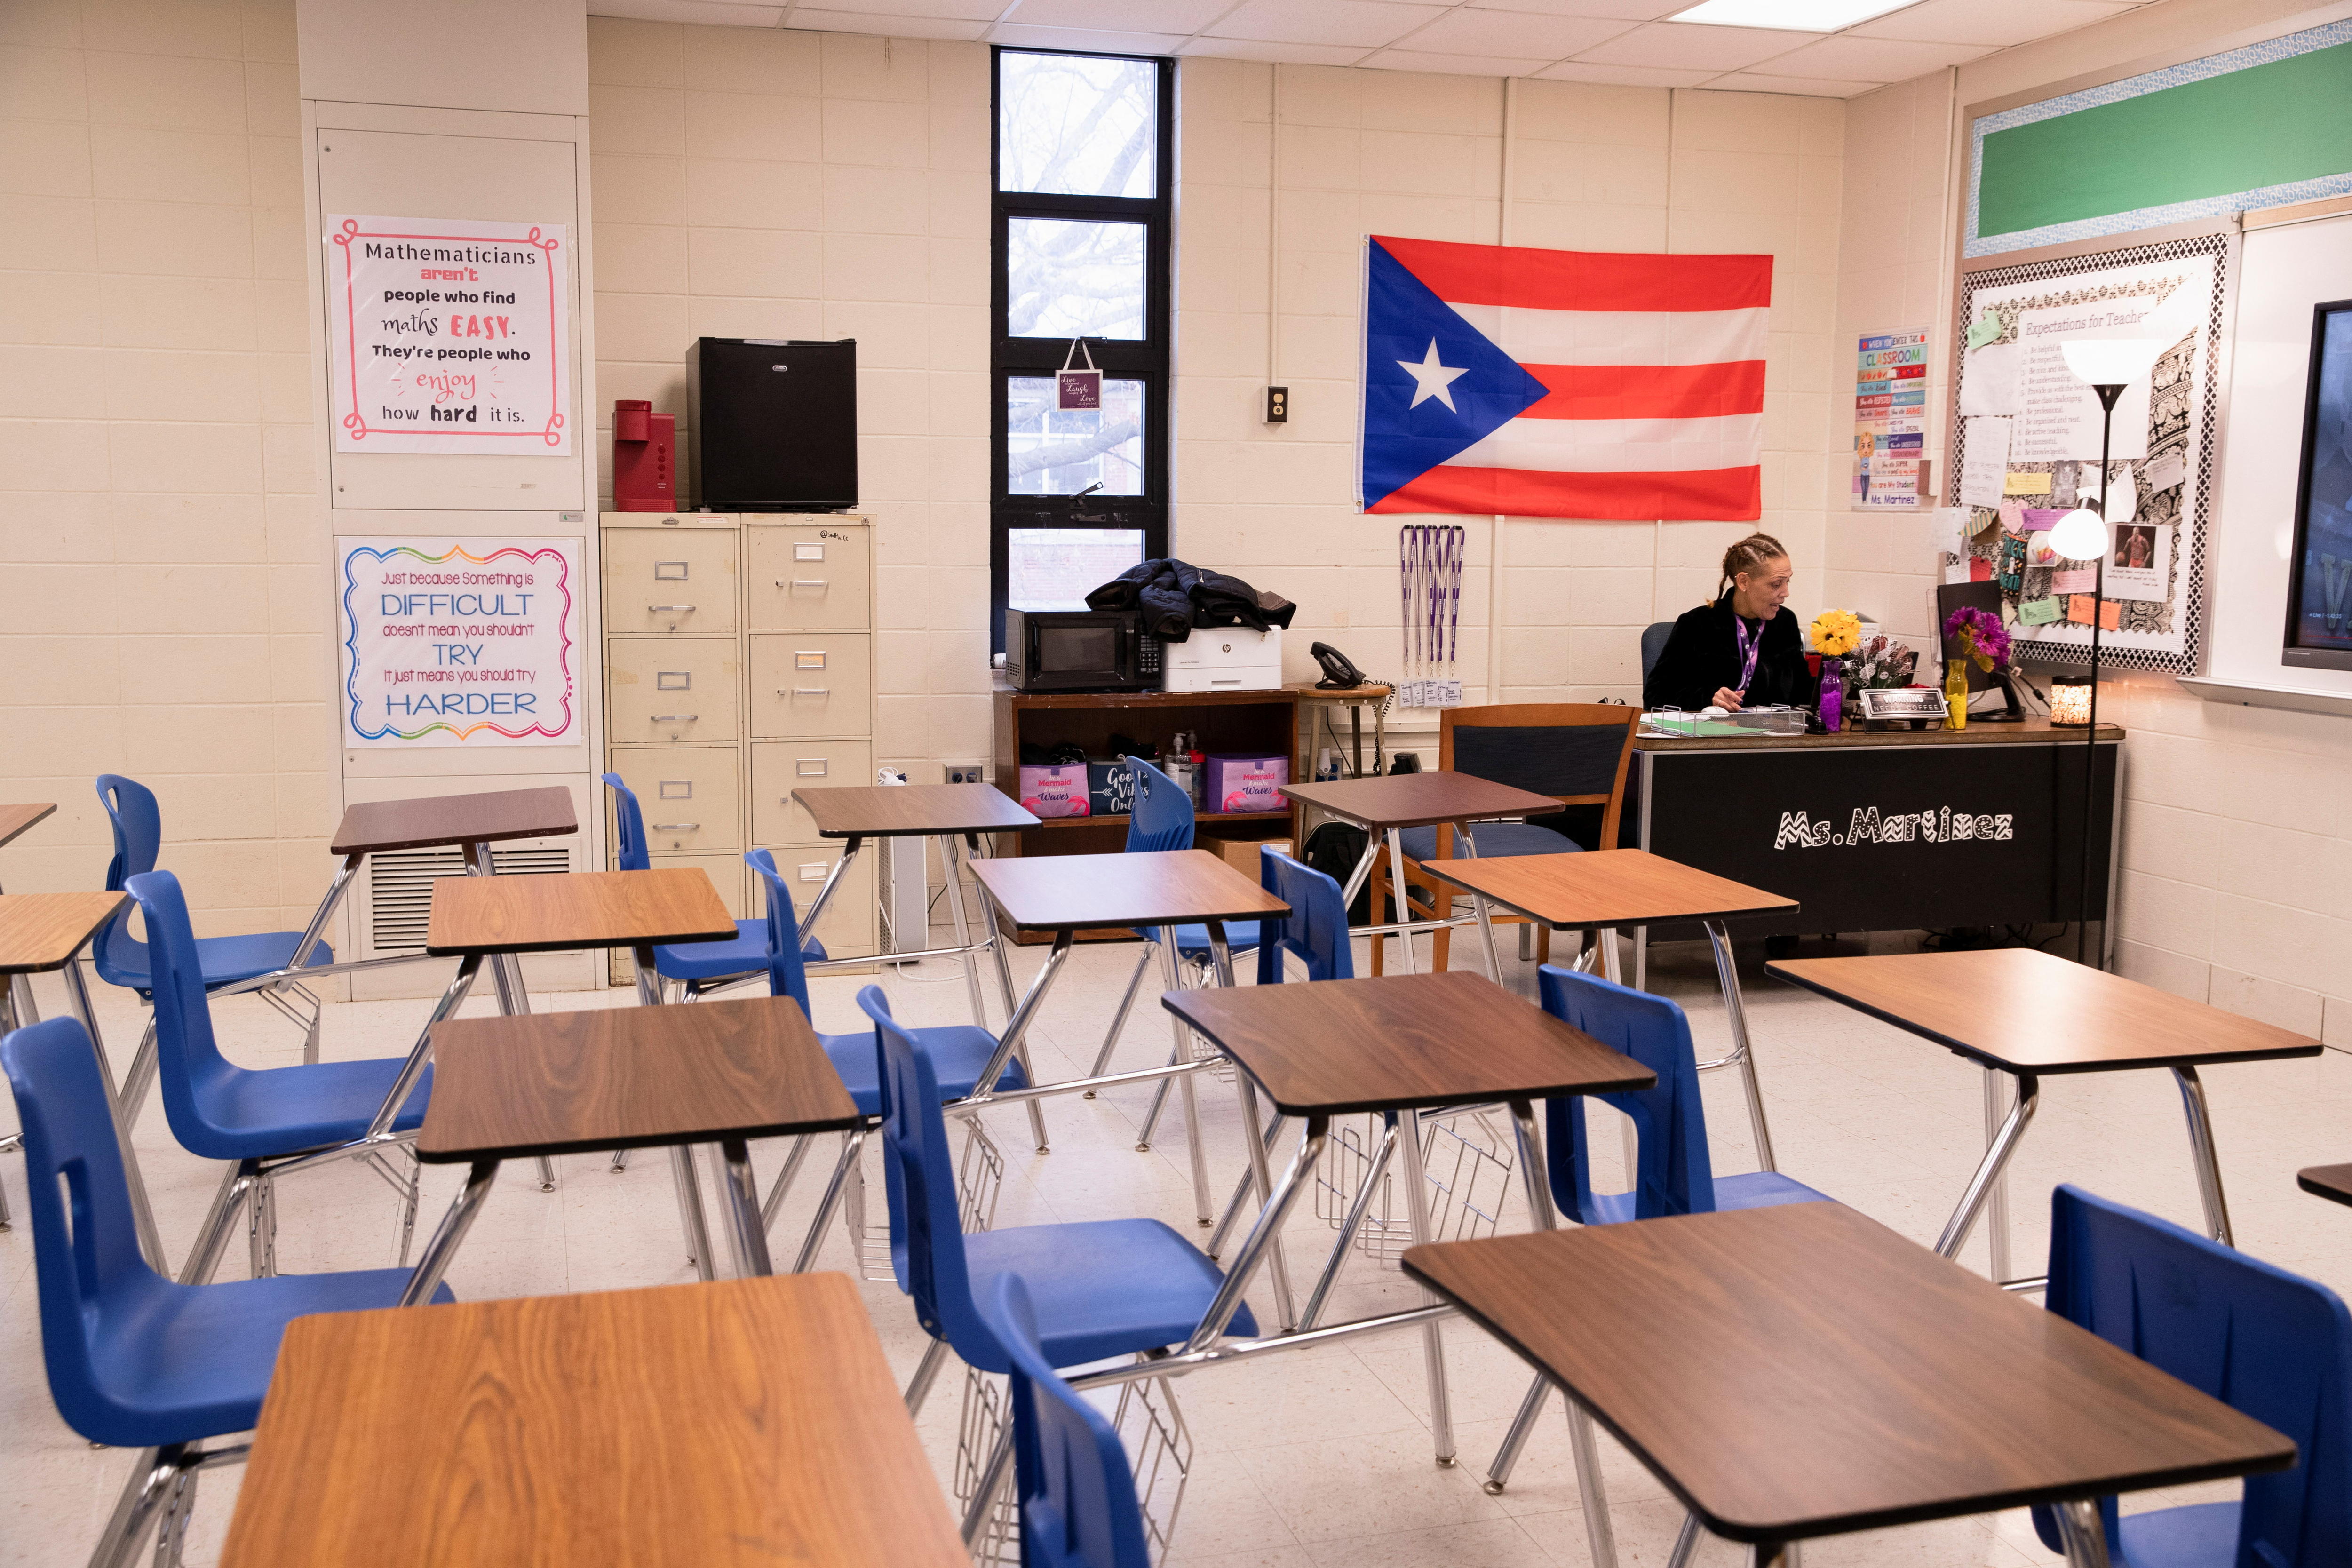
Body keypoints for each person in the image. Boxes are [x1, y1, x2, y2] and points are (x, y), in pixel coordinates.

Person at [1643, 532, 1820, 713]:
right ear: (1744, 582)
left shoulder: (1784, 622)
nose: (1786, 592)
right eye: (1776, 584)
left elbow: (1802, 691)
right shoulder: (1698, 624)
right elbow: (1656, 695)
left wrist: (1837, 676)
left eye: (1787, 581)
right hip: (1715, 734)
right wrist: (1709, 698)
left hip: (1773, 734)